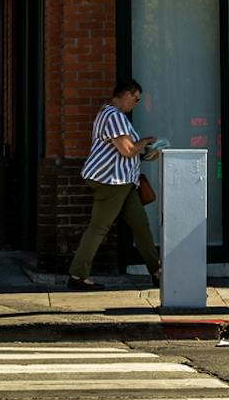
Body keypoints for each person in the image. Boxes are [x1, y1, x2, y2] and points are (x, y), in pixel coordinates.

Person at [67, 79, 162, 290]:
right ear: (127, 94)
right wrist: (145, 142)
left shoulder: (109, 115)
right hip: (111, 181)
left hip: (124, 182)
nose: (135, 104)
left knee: (141, 227)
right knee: (99, 227)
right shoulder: (114, 116)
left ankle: (157, 272)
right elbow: (127, 150)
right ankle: (77, 275)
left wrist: (147, 154)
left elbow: (127, 153)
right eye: (136, 99)